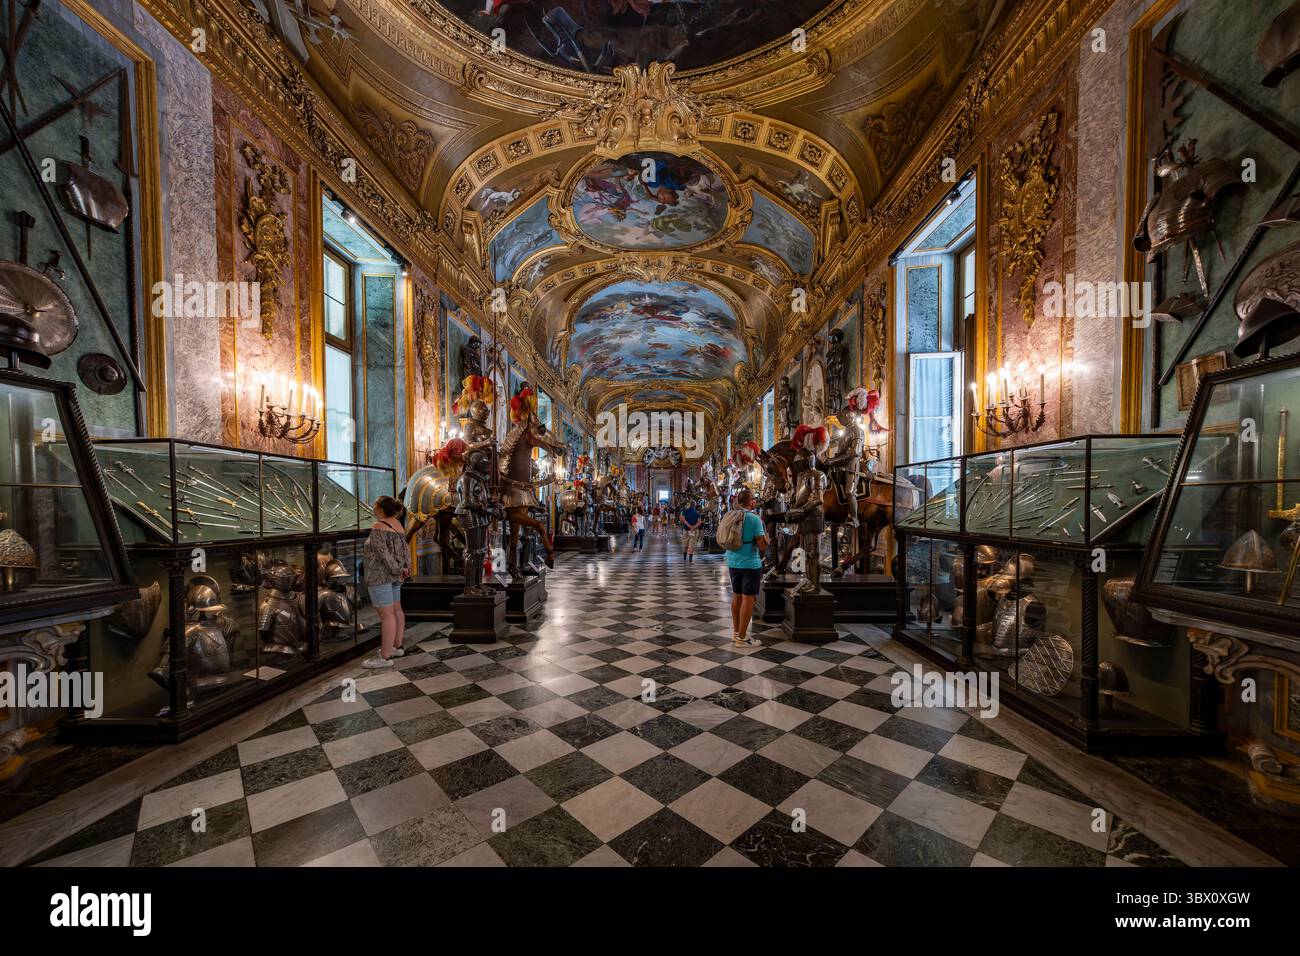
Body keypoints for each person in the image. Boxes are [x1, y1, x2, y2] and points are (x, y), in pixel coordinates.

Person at [361, 495, 411, 668]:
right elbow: (405, 550)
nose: (373, 507)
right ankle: (397, 646)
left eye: (375, 504)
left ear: (381, 508)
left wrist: (397, 569)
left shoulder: (378, 526)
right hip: (395, 576)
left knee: (387, 615)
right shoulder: (398, 525)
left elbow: (383, 554)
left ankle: (385, 656)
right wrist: (405, 569)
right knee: (397, 610)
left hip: (379, 576)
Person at [725, 488, 769, 648]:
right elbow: (762, 545)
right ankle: (743, 638)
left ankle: (737, 633)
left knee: (737, 597)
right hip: (749, 564)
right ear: (751, 502)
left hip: (732, 561)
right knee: (748, 599)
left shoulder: (731, 514)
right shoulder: (753, 518)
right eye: (754, 499)